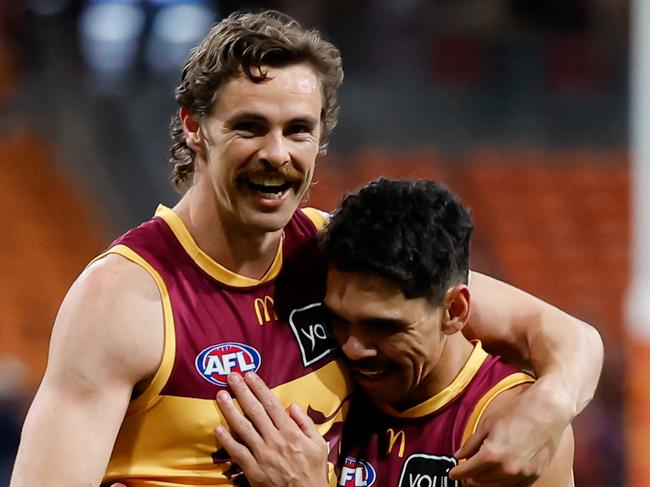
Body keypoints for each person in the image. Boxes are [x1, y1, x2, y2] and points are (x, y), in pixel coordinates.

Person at [10, 10, 601, 487]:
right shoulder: (124, 300)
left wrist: (548, 411)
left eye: (298, 129)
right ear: (194, 126)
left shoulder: (330, 256)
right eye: (249, 127)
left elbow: (568, 337)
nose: (276, 152)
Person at [213, 178, 575, 487]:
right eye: (338, 318)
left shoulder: (513, 432)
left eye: (383, 326)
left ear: (455, 311)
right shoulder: (332, 377)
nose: (354, 348)